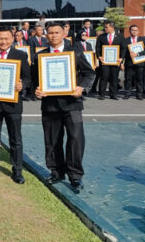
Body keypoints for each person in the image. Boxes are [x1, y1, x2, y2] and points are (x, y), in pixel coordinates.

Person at [35, 22, 95, 193]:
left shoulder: (74, 51)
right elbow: (34, 79)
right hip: (50, 106)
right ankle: (56, 172)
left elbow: (89, 73)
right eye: (50, 33)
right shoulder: (41, 55)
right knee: (52, 141)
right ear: (46, 35)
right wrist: (36, 89)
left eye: (56, 32)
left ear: (63, 34)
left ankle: (75, 176)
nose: (53, 35)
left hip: (72, 105)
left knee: (76, 140)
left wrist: (82, 88)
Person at [0, 27, 30, 184]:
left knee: (15, 138)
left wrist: (22, 85)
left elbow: (28, 77)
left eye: (6, 38)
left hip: (13, 103)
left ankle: (17, 170)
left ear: (12, 39)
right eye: (0, 38)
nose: (3, 41)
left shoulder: (21, 55)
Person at [95, 21, 125, 100]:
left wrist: (121, 58)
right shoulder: (101, 36)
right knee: (104, 77)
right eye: (105, 27)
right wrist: (99, 56)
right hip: (104, 61)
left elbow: (123, 48)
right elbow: (97, 47)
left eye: (106, 27)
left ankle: (113, 94)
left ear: (112, 27)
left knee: (114, 78)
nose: (105, 28)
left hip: (116, 61)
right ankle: (102, 94)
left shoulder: (120, 36)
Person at [123, 25, 145, 100]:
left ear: (138, 31)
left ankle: (139, 94)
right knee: (128, 79)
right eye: (132, 30)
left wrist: (137, 54)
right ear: (129, 31)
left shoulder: (142, 40)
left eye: (136, 30)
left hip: (139, 63)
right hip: (129, 63)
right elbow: (122, 52)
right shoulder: (125, 40)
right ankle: (127, 93)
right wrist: (121, 63)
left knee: (139, 79)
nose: (134, 31)